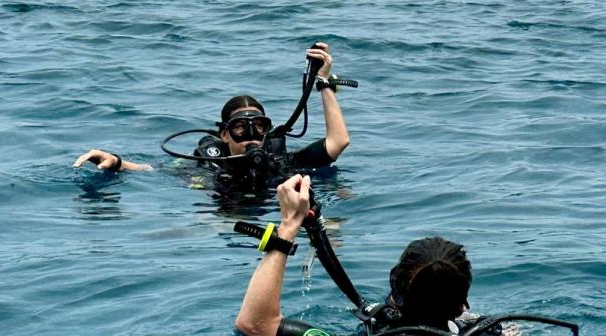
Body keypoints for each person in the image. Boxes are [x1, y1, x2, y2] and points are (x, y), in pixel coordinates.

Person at [234, 175, 474, 336]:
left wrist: (288, 227)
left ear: (394, 286)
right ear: (462, 304)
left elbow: (254, 325)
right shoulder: (489, 329)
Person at [73, 43, 349, 177]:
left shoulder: (282, 162)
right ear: (224, 135)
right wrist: (117, 162)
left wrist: (323, 82)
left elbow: (338, 142)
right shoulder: (209, 165)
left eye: (259, 126)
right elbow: (153, 170)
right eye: (240, 128)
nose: (251, 136)